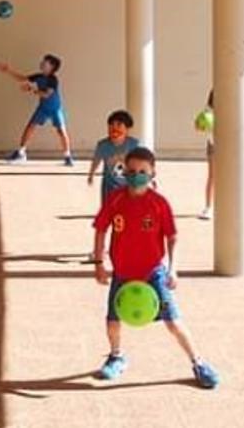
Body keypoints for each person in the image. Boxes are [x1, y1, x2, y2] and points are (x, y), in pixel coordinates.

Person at [92, 147, 220, 389]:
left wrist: (173, 268)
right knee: (112, 321)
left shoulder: (159, 204)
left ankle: (199, 362)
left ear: (152, 173)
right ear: (123, 172)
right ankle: (116, 356)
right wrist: (99, 263)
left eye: (142, 171)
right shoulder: (116, 199)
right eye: (131, 171)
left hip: (153, 273)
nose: (136, 175)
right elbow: (100, 229)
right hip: (122, 275)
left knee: (173, 322)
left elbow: (172, 237)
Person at [0, 54, 74, 165]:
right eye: (42, 62)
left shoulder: (53, 80)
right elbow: (23, 78)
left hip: (55, 109)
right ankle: (21, 153)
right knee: (30, 128)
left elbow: (47, 95)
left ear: (52, 67)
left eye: (45, 62)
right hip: (42, 108)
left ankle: (68, 157)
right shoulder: (38, 76)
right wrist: (8, 70)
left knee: (61, 131)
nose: (42, 63)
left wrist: (31, 89)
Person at [87, 110, 141, 205]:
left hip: (128, 186)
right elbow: (96, 160)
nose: (114, 128)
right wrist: (91, 174)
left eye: (119, 125)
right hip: (109, 186)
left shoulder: (134, 144)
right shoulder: (103, 145)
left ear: (127, 129)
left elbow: (142, 162)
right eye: (111, 125)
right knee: (109, 210)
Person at [199, 90, 215, 220]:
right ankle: (208, 207)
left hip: (228, 146)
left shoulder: (231, 107)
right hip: (213, 145)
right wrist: (202, 125)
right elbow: (198, 126)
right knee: (212, 177)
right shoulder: (208, 111)